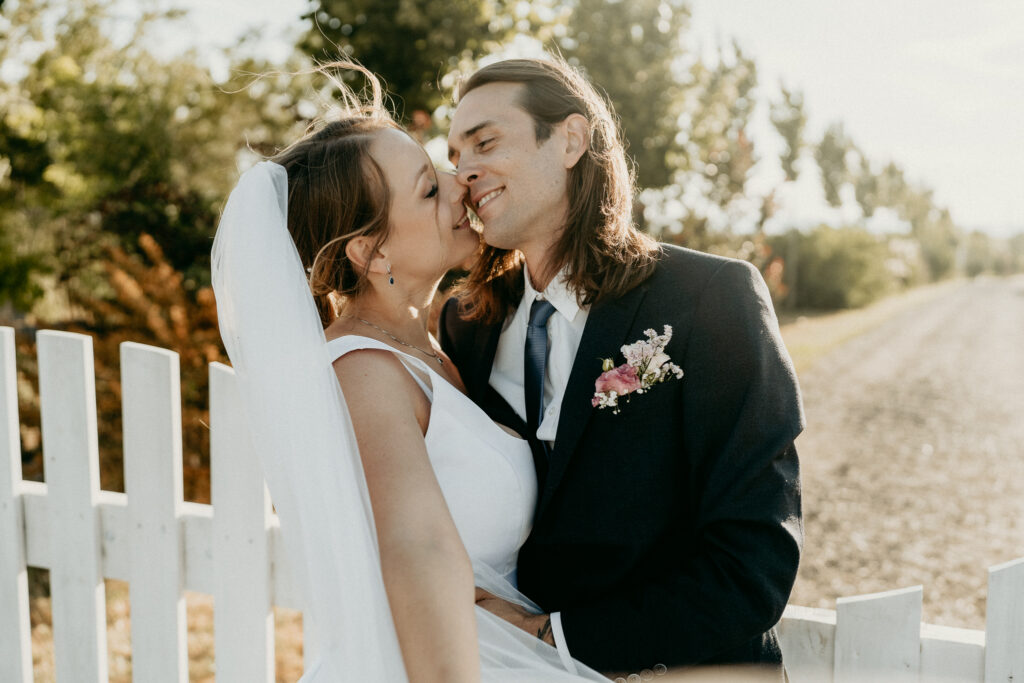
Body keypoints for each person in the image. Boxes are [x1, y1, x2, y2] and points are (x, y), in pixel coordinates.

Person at [211, 65, 608, 681]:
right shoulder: (364, 372)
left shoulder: (443, 345)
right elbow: (418, 551)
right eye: (428, 189)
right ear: (372, 253)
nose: (459, 184)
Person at [441, 57, 804, 679]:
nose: (463, 171)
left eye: (486, 142)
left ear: (570, 141)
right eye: (454, 156)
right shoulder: (467, 325)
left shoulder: (709, 300)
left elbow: (753, 562)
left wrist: (552, 638)